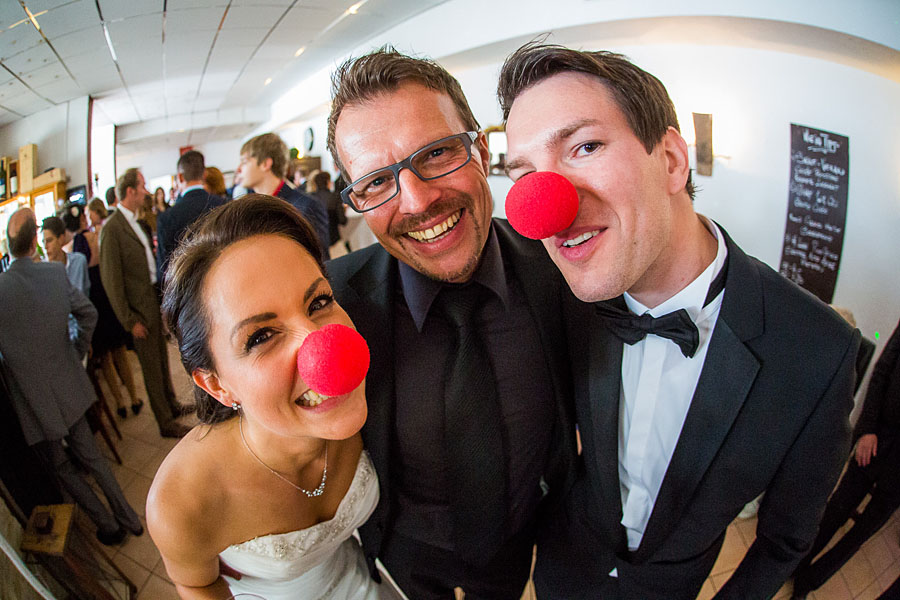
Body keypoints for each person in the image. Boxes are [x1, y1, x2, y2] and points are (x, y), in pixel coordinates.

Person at [498, 42, 860, 599]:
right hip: (565, 567)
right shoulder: (564, 295)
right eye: (525, 175)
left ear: (670, 159)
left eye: (585, 146)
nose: (545, 207)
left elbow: (786, 538)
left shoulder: (820, 351)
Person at [326, 47, 575, 599]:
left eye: (437, 153)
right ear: (359, 202)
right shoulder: (334, 303)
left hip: (518, 545)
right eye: (375, 183)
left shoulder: (558, 271)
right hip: (400, 554)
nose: (417, 201)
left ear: (482, 151)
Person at [147, 195, 402, 599]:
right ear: (217, 385)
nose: (323, 347)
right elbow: (196, 583)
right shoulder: (182, 499)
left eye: (319, 302)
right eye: (260, 336)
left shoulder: (380, 393)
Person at [0, 208, 143, 546]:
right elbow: (87, 313)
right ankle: (129, 517)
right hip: (66, 380)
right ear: (35, 240)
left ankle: (108, 525)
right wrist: (76, 347)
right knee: (92, 456)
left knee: (62, 467)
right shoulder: (53, 273)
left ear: (7, 244)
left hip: (31, 397)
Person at [791, 318, 900, 598]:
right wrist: (866, 431)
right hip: (876, 441)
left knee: (861, 534)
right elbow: (882, 372)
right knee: (836, 509)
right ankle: (794, 564)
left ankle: (810, 581)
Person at [100, 168, 186, 437]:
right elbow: (112, 280)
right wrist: (129, 319)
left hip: (150, 298)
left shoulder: (137, 222)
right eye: (142, 186)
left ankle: (172, 405)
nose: (146, 191)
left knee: (160, 359)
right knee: (149, 366)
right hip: (137, 309)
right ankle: (165, 422)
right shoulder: (112, 229)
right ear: (130, 191)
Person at [80, 198, 144, 419]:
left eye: (89, 213)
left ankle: (122, 402)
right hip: (104, 299)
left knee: (109, 355)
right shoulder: (108, 229)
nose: (88, 217)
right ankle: (132, 398)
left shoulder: (91, 236)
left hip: (98, 299)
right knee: (115, 353)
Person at [237, 132, 329, 259]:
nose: (239, 169)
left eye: (244, 162)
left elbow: (320, 263)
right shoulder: (246, 210)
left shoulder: (305, 207)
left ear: (265, 164)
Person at [156, 150, 226, 284]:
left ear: (180, 177)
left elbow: (164, 270)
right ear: (204, 174)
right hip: (223, 282)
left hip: (187, 290)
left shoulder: (167, 218)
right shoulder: (224, 205)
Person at [308, 170, 347, 248]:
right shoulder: (335, 197)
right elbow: (343, 221)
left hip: (316, 243)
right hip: (333, 241)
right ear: (328, 182)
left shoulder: (309, 198)